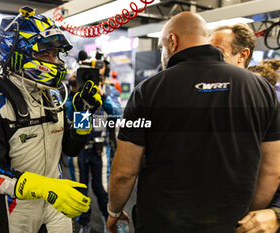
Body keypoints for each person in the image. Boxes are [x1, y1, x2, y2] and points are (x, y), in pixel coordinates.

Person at [107, 11, 280, 233]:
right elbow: (272, 170)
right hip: (232, 225)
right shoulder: (261, 89)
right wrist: (249, 213)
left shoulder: (147, 91)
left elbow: (124, 173)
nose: (162, 53)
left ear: (172, 40)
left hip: (161, 224)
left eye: (161, 47)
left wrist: (114, 210)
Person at [0, 7, 102, 233]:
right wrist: (45, 187)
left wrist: (84, 114)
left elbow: (71, 148)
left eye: (55, 54)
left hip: (56, 202)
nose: (55, 61)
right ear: (18, 54)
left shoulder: (54, 96)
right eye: (45, 54)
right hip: (17, 208)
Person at [209, 25, 280, 232]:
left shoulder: (265, 103)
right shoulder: (210, 101)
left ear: (242, 56)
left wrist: (276, 212)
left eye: (217, 53)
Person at [66, 50, 122, 233]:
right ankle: (83, 224)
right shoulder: (73, 89)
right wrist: (73, 90)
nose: (92, 72)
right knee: (79, 190)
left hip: (101, 147)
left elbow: (117, 115)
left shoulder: (110, 90)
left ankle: (109, 223)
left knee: (103, 190)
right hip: (79, 147)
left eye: (96, 67)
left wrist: (102, 96)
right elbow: (66, 116)